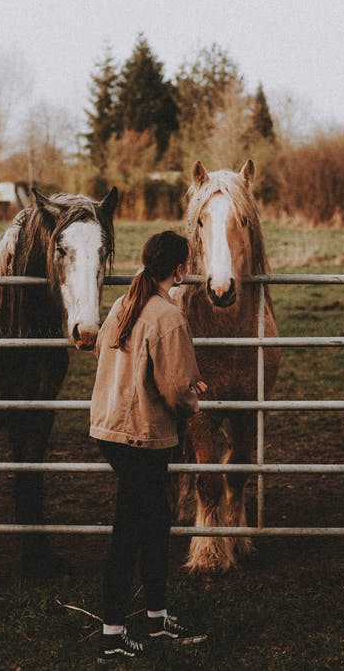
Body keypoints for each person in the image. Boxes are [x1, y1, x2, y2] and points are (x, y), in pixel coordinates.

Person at [90, 230, 208, 663]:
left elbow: (107, 351)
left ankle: (156, 618)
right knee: (132, 530)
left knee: (156, 519)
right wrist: (193, 395)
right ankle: (112, 633)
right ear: (179, 270)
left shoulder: (124, 304)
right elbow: (177, 392)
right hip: (144, 435)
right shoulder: (168, 315)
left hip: (111, 429)